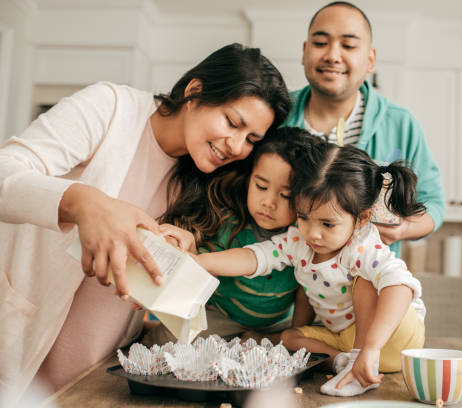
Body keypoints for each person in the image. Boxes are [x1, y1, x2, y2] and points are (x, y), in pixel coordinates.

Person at [0, 43, 291, 402]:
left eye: (252, 139)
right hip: (16, 353)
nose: (236, 145)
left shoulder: (204, 181)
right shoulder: (110, 108)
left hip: (94, 380)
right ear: (194, 92)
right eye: (233, 122)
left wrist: (178, 257)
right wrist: (86, 203)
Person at [195, 143, 427, 397]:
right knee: (290, 338)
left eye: (328, 224)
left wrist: (370, 349)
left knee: (366, 280)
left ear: (361, 218)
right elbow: (255, 257)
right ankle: (342, 364)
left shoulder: (362, 244)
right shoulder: (298, 242)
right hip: (343, 340)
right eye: (304, 217)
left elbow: (401, 286)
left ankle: (360, 361)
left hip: (392, 335)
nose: (312, 233)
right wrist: (202, 262)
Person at [284, 1, 445, 256]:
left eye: (348, 45)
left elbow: (433, 205)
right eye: (320, 43)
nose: (333, 55)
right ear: (304, 52)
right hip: (280, 286)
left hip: (366, 287)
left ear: (370, 59)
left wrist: (402, 228)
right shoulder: (275, 113)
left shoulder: (400, 123)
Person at [144, 127, 326, 346]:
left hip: (279, 324)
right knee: (167, 341)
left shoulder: (306, 237)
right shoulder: (228, 220)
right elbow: (198, 267)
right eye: (261, 186)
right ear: (249, 179)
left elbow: (305, 292)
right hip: (221, 316)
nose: (269, 202)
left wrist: (296, 333)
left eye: (286, 195)